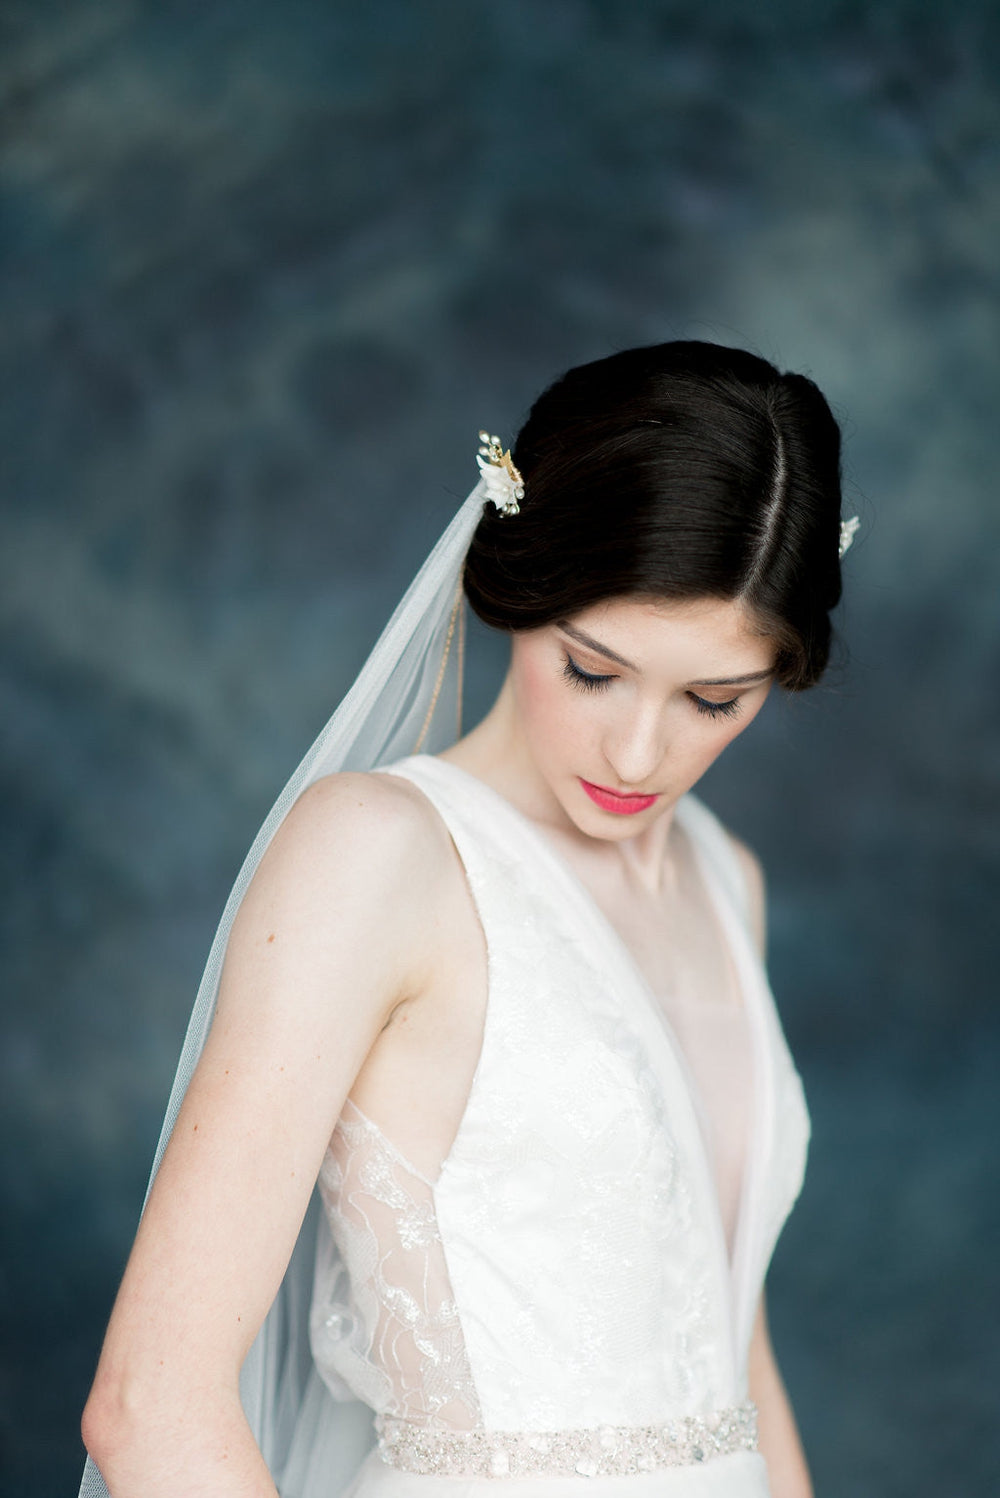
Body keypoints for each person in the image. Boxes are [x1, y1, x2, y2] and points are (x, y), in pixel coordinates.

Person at [80, 341, 856, 1498]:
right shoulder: (380, 857)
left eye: (712, 700)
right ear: (516, 583)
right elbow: (151, 1401)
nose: (640, 753)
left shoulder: (722, 876)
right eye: (592, 670)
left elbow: (722, 1343)